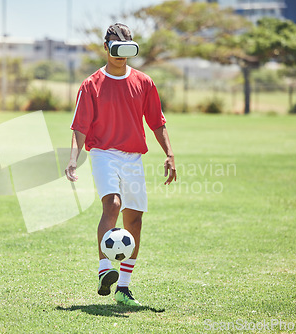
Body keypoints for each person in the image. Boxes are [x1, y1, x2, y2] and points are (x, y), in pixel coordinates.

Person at [65, 23, 177, 306]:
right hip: (103, 153)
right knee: (112, 204)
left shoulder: (144, 82)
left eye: (126, 48)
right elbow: (79, 126)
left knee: (135, 219)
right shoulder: (91, 84)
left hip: (133, 158)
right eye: (115, 48)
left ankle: (124, 288)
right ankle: (105, 269)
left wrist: (169, 154)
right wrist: (72, 160)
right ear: (106, 47)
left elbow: (157, 122)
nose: (120, 54)